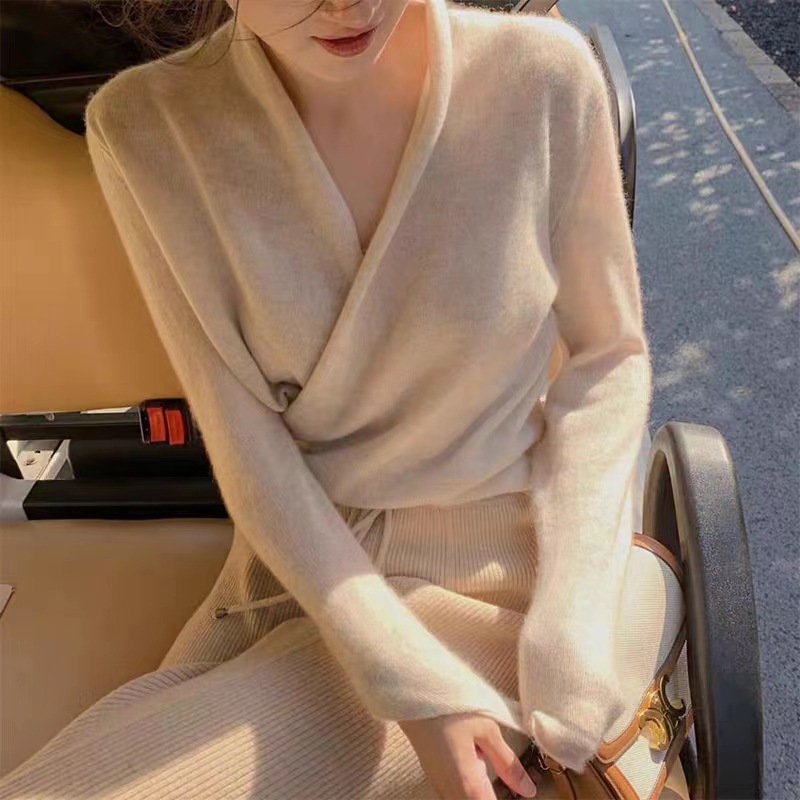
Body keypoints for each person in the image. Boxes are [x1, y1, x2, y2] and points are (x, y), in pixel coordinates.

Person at [0, 0, 653, 797]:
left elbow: (608, 357)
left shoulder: (542, 78)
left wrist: (572, 618)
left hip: (497, 580)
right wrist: (410, 683)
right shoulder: (147, 128)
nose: (348, 4)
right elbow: (244, 440)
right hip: (296, 576)